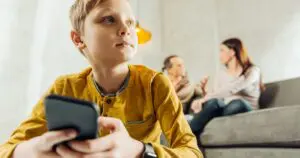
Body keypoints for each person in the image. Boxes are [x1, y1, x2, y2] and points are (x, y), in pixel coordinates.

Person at [0, 0, 202, 157]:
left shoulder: (155, 84)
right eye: (109, 19)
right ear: (78, 39)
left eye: (130, 22)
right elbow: (6, 150)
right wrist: (31, 151)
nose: (127, 29)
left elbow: (191, 152)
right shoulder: (64, 87)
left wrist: (139, 151)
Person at [189, 38, 264, 140]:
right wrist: (204, 91)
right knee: (214, 102)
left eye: (222, 50)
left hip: (246, 107)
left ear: (232, 52)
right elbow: (216, 95)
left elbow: (233, 88)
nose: (219, 54)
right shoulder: (221, 74)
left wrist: (204, 99)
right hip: (226, 108)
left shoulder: (252, 70)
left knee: (237, 102)